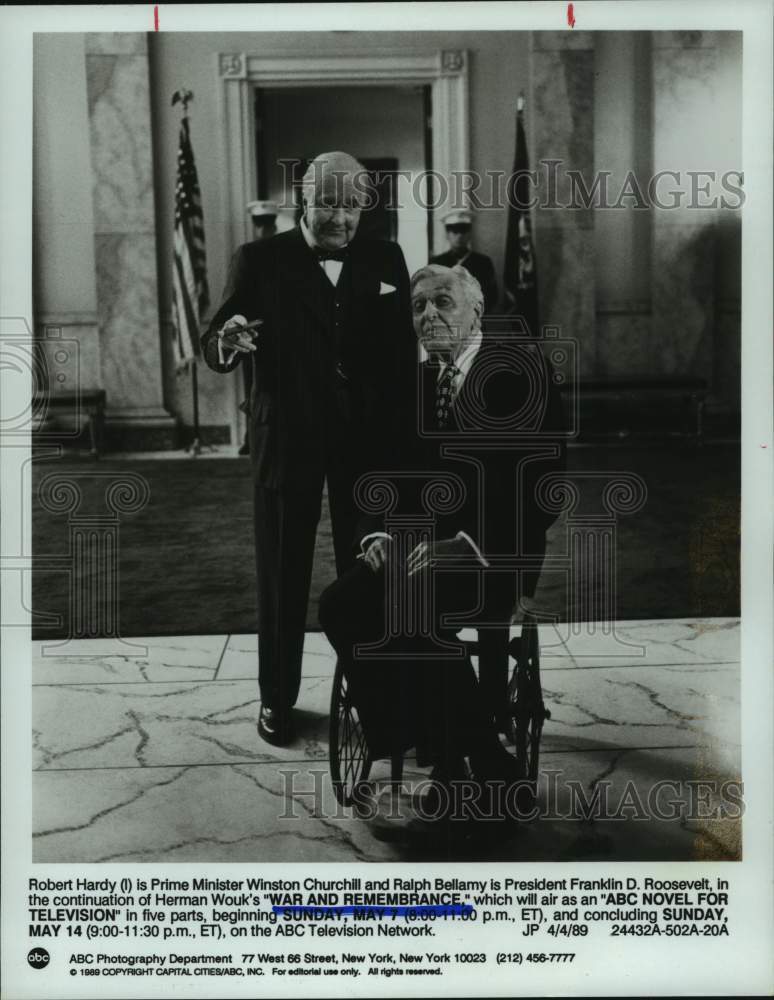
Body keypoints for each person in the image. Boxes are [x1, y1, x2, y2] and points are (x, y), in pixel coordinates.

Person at [319, 264, 565, 842]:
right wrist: (376, 533)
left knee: (411, 609)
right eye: (418, 305)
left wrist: (465, 545)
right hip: (409, 550)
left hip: (491, 556)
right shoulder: (413, 381)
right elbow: (375, 470)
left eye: (443, 302)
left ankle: (457, 762)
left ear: (475, 310)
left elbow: (544, 483)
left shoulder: (520, 371)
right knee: (340, 606)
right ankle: (457, 746)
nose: (429, 314)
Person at [201, 151, 415, 746]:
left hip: (364, 443)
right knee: (282, 573)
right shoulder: (259, 259)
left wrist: (403, 439)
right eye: (329, 204)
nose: (341, 219)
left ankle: (372, 703)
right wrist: (229, 341)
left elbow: (400, 355)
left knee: (367, 576)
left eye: (352, 207)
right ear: (304, 200)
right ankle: (277, 700)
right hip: (286, 438)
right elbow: (215, 338)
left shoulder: (385, 256)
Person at [224, 201, 280, 456]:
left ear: (274, 224)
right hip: (253, 333)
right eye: (259, 224)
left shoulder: (286, 252)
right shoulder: (248, 255)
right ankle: (252, 436)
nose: (263, 229)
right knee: (253, 388)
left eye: (267, 223)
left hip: (281, 335)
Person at [431, 209, 498, 315]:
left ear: (469, 234)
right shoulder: (436, 263)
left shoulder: (483, 263)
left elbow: (492, 297)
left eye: (463, 231)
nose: (459, 236)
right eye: (454, 231)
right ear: (447, 234)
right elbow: (430, 296)